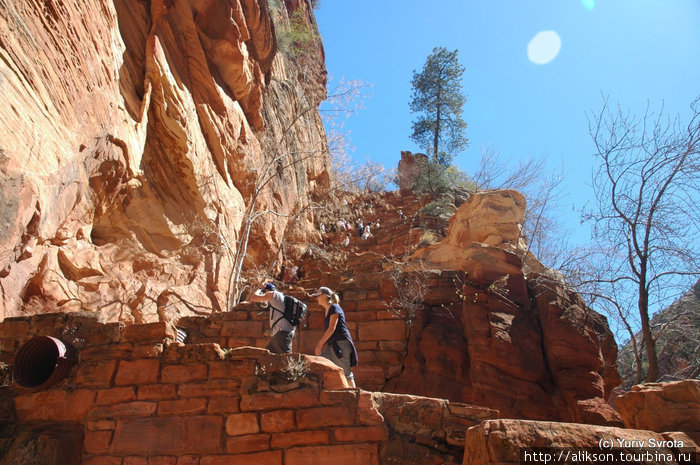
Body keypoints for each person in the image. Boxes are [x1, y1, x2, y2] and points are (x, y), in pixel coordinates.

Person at [312, 287, 357, 387]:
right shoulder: (328, 310)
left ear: (324, 296)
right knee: (320, 362)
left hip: (341, 344)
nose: (316, 299)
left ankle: (354, 398)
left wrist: (319, 344)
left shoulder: (334, 307)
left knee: (347, 374)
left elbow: (331, 328)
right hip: (334, 346)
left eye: (318, 296)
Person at [248, 283, 295, 354]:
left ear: (267, 290)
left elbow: (253, 298)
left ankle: (298, 365)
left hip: (282, 334)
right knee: (267, 357)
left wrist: (260, 289)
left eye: (265, 292)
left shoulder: (272, 294)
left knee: (287, 360)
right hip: (279, 334)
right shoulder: (281, 297)